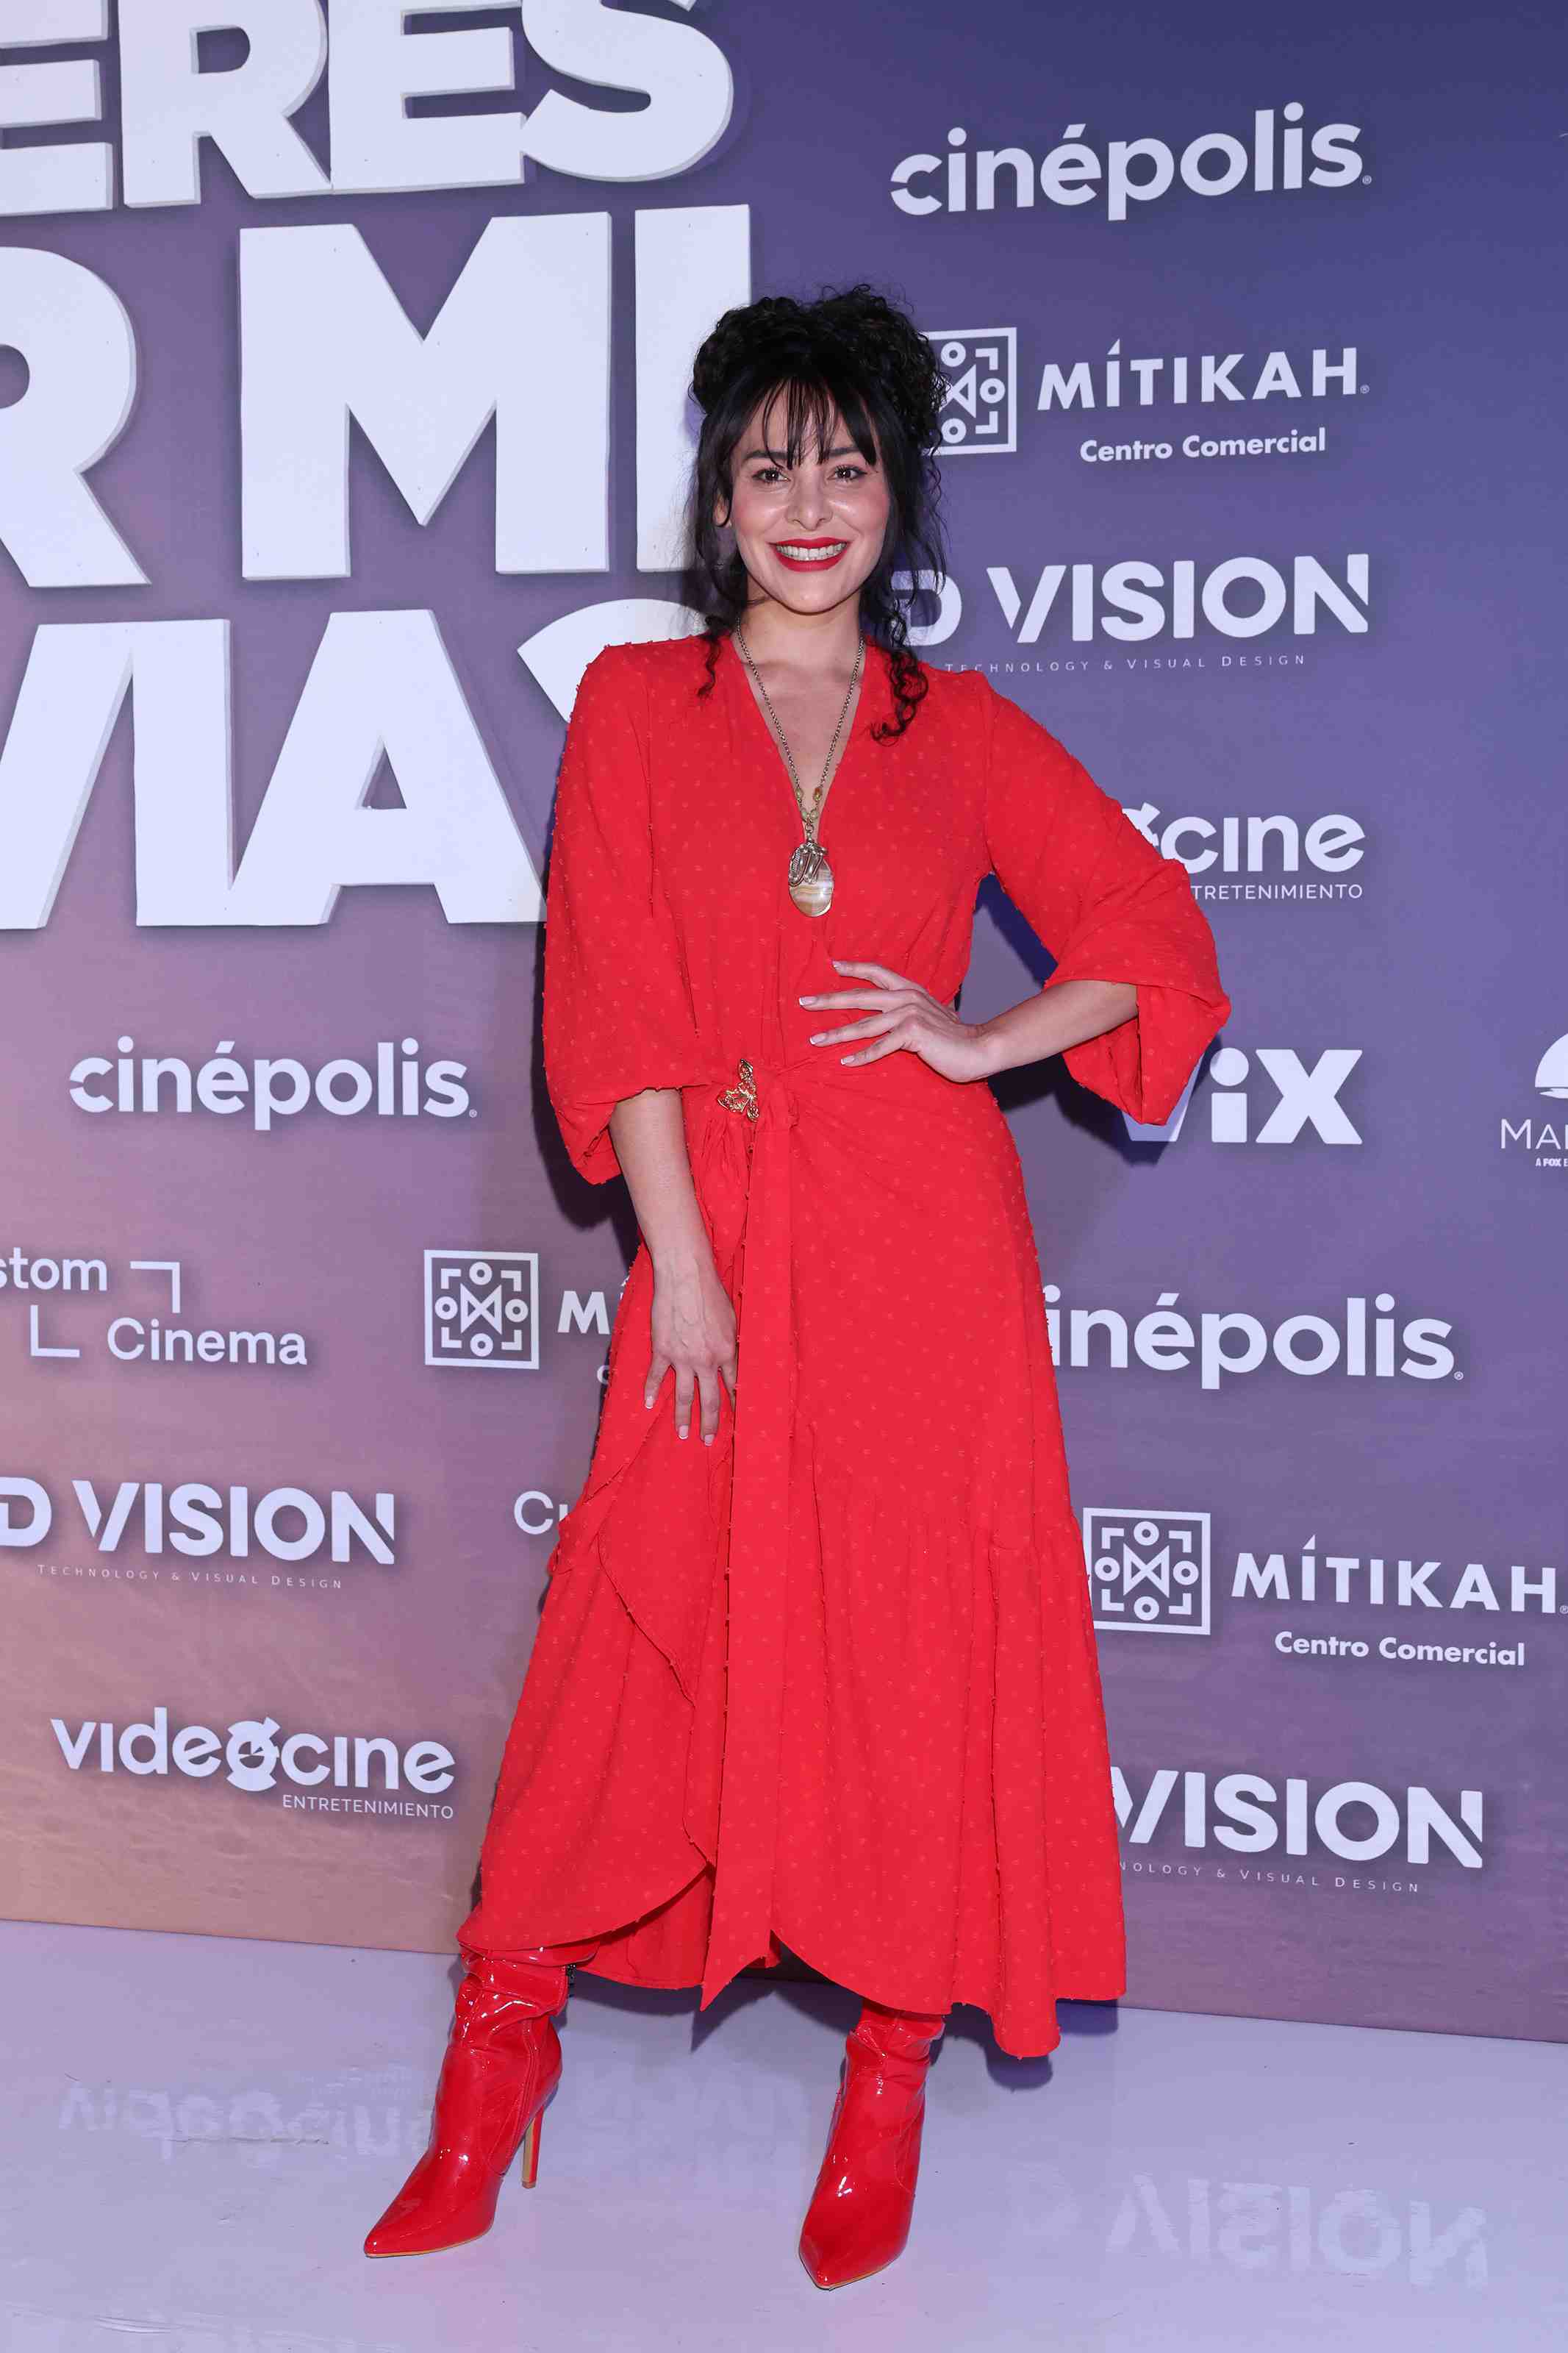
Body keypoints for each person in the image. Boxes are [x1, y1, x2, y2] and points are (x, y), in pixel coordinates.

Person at [363, 282, 1231, 2288]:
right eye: (772, 471)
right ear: (721, 501)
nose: (810, 507)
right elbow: (619, 999)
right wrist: (681, 1262)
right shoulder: (637, 706)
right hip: (717, 1236)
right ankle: (499, 2051)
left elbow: (1152, 934)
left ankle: (889, 2074)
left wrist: (981, 1040)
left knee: (908, 1647)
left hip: (925, 1260)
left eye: (846, 468)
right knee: (630, 1624)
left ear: (896, 494)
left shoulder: (961, 727)